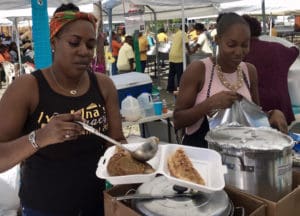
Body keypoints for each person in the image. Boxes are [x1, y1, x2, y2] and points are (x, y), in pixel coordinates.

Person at [0, 3, 126, 216]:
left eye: (90, 44)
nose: (84, 51)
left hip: (96, 202)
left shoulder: (104, 86)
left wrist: (132, 157)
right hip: (44, 207)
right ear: (54, 42)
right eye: (74, 42)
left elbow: (117, 141)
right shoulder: (27, 88)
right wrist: (40, 137)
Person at [173, 12, 288, 148]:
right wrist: (209, 105)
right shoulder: (199, 70)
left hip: (239, 159)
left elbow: (254, 116)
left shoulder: (249, 71)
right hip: (203, 156)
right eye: (231, 45)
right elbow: (178, 120)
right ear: (217, 40)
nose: (239, 52)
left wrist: (272, 114)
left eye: (245, 45)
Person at [243, 15, 299, 125]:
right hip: (282, 107)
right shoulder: (277, 48)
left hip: (255, 113)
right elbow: (295, 50)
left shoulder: (239, 53)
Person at [167, 24, 191, 93]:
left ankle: (170, 89)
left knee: (171, 73)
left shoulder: (177, 33)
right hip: (178, 56)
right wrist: (190, 51)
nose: (187, 30)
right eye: (187, 29)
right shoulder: (183, 33)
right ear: (185, 28)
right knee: (180, 74)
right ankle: (180, 88)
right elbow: (186, 44)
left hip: (172, 55)